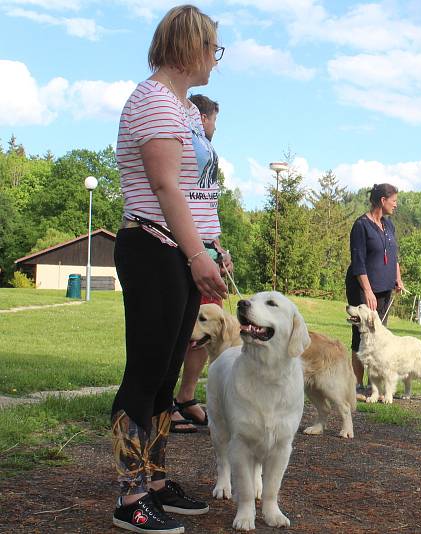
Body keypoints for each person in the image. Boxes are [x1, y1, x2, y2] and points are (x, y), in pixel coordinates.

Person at [111, 5, 227, 532]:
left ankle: (155, 482)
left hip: (178, 250)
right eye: (213, 49)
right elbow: (164, 188)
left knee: (164, 376)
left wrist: (210, 245)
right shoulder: (155, 101)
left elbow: (196, 191)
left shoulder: (181, 107)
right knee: (144, 374)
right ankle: (129, 495)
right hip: (154, 249)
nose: (215, 61)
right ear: (190, 47)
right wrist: (197, 255)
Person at [169, 93, 232, 433]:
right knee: (185, 328)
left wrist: (219, 249)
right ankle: (166, 402)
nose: (214, 129)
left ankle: (185, 396)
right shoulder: (186, 148)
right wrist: (197, 252)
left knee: (205, 328)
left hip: (205, 249)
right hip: (185, 250)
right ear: (201, 117)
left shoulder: (205, 157)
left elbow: (203, 206)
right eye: (214, 121)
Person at [346, 183, 405, 401]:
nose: (396, 204)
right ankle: (356, 386)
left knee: (380, 336)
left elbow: (393, 255)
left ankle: (376, 388)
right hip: (363, 288)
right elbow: (358, 261)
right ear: (382, 200)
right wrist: (367, 290)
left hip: (385, 288)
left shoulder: (389, 226)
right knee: (361, 335)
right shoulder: (361, 226)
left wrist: (397, 278)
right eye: (394, 200)